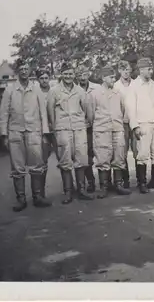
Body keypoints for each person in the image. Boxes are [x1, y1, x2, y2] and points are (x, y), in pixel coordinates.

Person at [0, 62, 51, 211]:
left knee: (37, 164)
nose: (24, 71)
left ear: (30, 71)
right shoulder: (10, 90)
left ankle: (37, 197)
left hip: (34, 131)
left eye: (26, 69)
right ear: (17, 72)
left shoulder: (36, 89)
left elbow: (43, 113)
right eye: (21, 69)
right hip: (15, 132)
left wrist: (45, 133)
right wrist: (4, 134)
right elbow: (4, 113)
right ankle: (21, 199)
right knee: (17, 167)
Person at [47, 63, 92, 204]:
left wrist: (86, 123)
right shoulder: (54, 91)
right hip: (63, 129)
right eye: (65, 74)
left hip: (79, 128)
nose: (68, 76)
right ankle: (68, 192)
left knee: (81, 158)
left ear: (74, 75)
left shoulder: (79, 91)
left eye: (70, 74)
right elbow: (50, 111)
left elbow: (87, 109)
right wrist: (55, 128)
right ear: (61, 74)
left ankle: (81, 190)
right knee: (65, 160)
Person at [125, 57, 154, 193]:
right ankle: (142, 182)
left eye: (151, 69)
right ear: (141, 70)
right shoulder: (134, 86)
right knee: (143, 153)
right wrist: (135, 126)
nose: (151, 71)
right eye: (149, 69)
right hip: (142, 123)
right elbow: (130, 107)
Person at [86, 66, 131, 198]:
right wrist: (99, 125)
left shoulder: (118, 93)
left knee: (119, 156)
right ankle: (104, 186)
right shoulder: (94, 94)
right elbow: (90, 114)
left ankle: (118, 184)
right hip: (102, 130)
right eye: (111, 77)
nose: (113, 79)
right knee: (103, 157)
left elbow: (123, 110)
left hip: (117, 128)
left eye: (114, 77)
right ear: (103, 78)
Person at [76, 63, 102, 194]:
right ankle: (90, 182)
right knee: (85, 156)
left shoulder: (96, 88)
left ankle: (106, 182)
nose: (82, 77)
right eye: (79, 75)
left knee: (100, 153)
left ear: (88, 74)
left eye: (84, 74)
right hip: (82, 127)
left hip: (97, 125)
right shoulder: (74, 90)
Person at [113, 60, 137, 189]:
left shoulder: (136, 84)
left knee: (137, 151)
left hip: (136, 121)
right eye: (123, 70)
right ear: (119, 71)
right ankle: (125, 179)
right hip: (122, 123)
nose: (126, 72)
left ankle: (140, 180)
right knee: (122, 151)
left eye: (128, 70)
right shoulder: (116, 86)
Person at [36, 67, 56, 198]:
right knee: (42, 161)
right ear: (38, 80)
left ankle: (70, 189)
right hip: (43, 131)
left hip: (56, 128)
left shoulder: (55, 91)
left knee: (65, 159)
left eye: (46, 78)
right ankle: (40, 192)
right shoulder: (35, 93)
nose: (44, 80)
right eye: (41, 78)